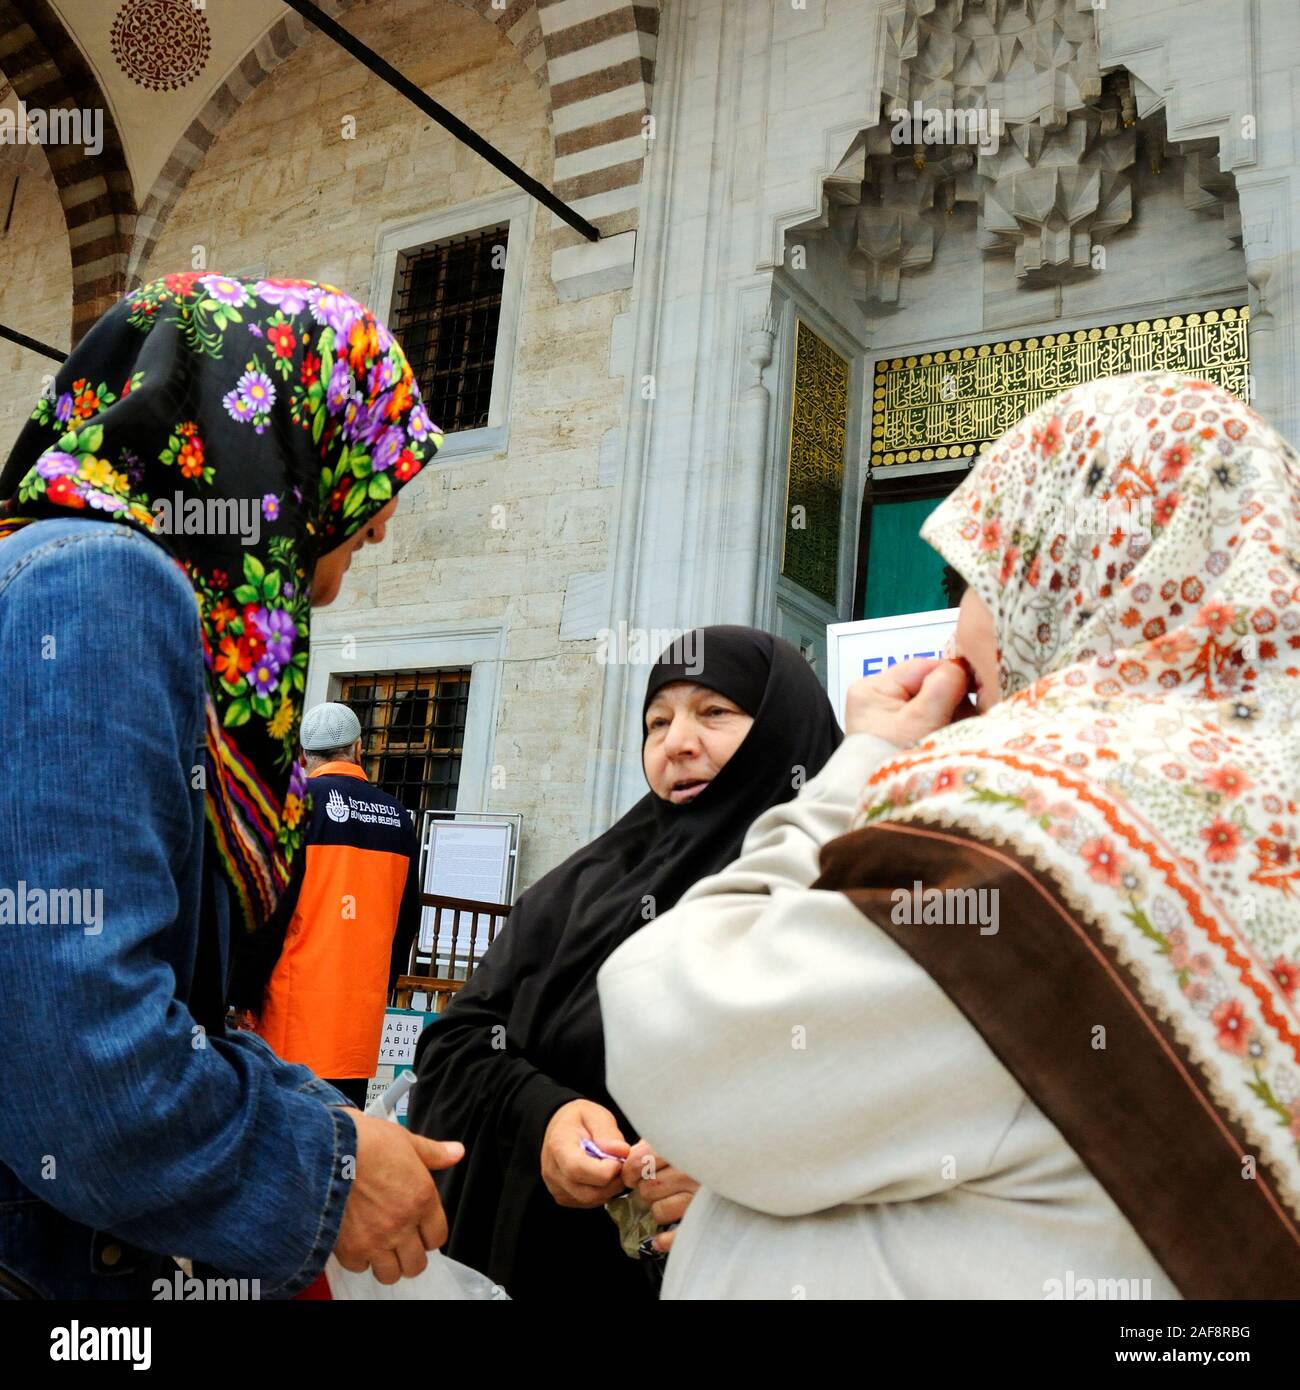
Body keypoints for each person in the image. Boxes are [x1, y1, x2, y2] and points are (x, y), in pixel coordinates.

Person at [599, 370, 1300, 1299]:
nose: (959, 632)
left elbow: (675, 1037)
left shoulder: (1047, 836)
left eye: (975, 581)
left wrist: (863, 764)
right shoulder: (1257, 811)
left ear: (1072, 573)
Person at [0, 272, 460, 1298]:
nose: (380, 524)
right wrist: (328, 1170)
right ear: (271, 438)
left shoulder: (66, 574)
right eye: (363, 457)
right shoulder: (100, 585)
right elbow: (85, 1077)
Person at [408, 627, 843, 1299]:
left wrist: (744, 1185)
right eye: (657, 722)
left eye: (715, 712)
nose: (678, 742)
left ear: (784, 729)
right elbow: (456, 1042)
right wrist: (544, 1117)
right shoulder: (584, 889)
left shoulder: (846, 895)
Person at [230, 701, 423, 1110]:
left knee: (287, 1138)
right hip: (358, 1019)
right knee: (342, 1133)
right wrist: (382, 986)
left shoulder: (293, 806)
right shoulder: (398, 818)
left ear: (303, 756)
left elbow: (266, 911)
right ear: (358, 750)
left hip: (291, 1013)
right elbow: (407, 920)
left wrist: (242, 992)